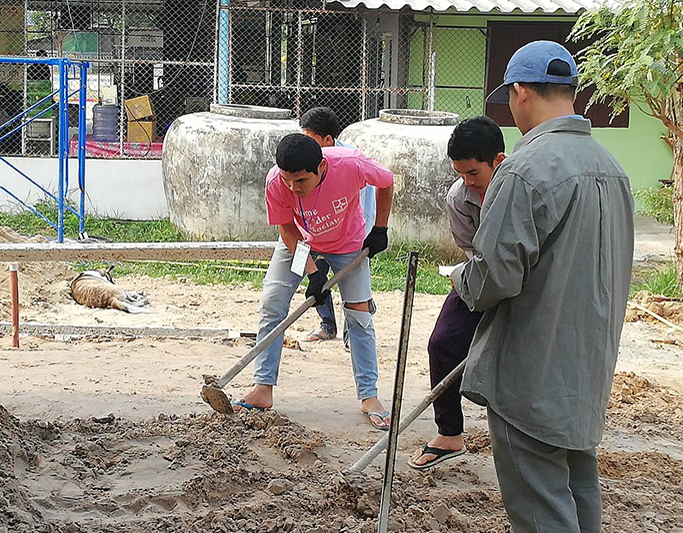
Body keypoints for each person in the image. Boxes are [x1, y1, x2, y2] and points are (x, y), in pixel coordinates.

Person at [451, 41, 634, 532]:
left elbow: (495, 276)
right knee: (577, 491)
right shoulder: (612, 168)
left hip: (531, 370)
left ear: (521, 92)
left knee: (541, 509)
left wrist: (460, 279)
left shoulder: (525, 168)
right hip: (585, 368)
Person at [233, 133, 395, 430]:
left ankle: (369, 396)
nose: (293, 189)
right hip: (299, 242)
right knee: (273, 304)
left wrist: (380, 228)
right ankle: (262, 388)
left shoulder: (351, 165)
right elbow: (286, 228)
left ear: (321, 168)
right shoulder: (275, 182)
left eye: (301, 182)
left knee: (359, 315)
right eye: (288, 181)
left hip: (348, 245)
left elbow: (386, 182)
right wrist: (313, 272)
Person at [408, 116, 506, 470]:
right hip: (481, 276)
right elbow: (472, 252)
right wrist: (487, 289)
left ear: (499, 160)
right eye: (461, 173)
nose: (467, 182)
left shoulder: (521, 188)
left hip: (528, 284)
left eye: (473, 173)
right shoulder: (458, 197)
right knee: (443, 343)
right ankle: (450, 433)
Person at [299, 107, 376, 352]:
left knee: (351, 283)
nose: (306, 145)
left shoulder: (351, 161)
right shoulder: (306, 162)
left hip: (347, 237)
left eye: (310, 140)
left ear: (328, 140)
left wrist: (366, 237)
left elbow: (367, 202)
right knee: (315, 277)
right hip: (315, 234)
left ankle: (351, 333)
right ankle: (327, 323)